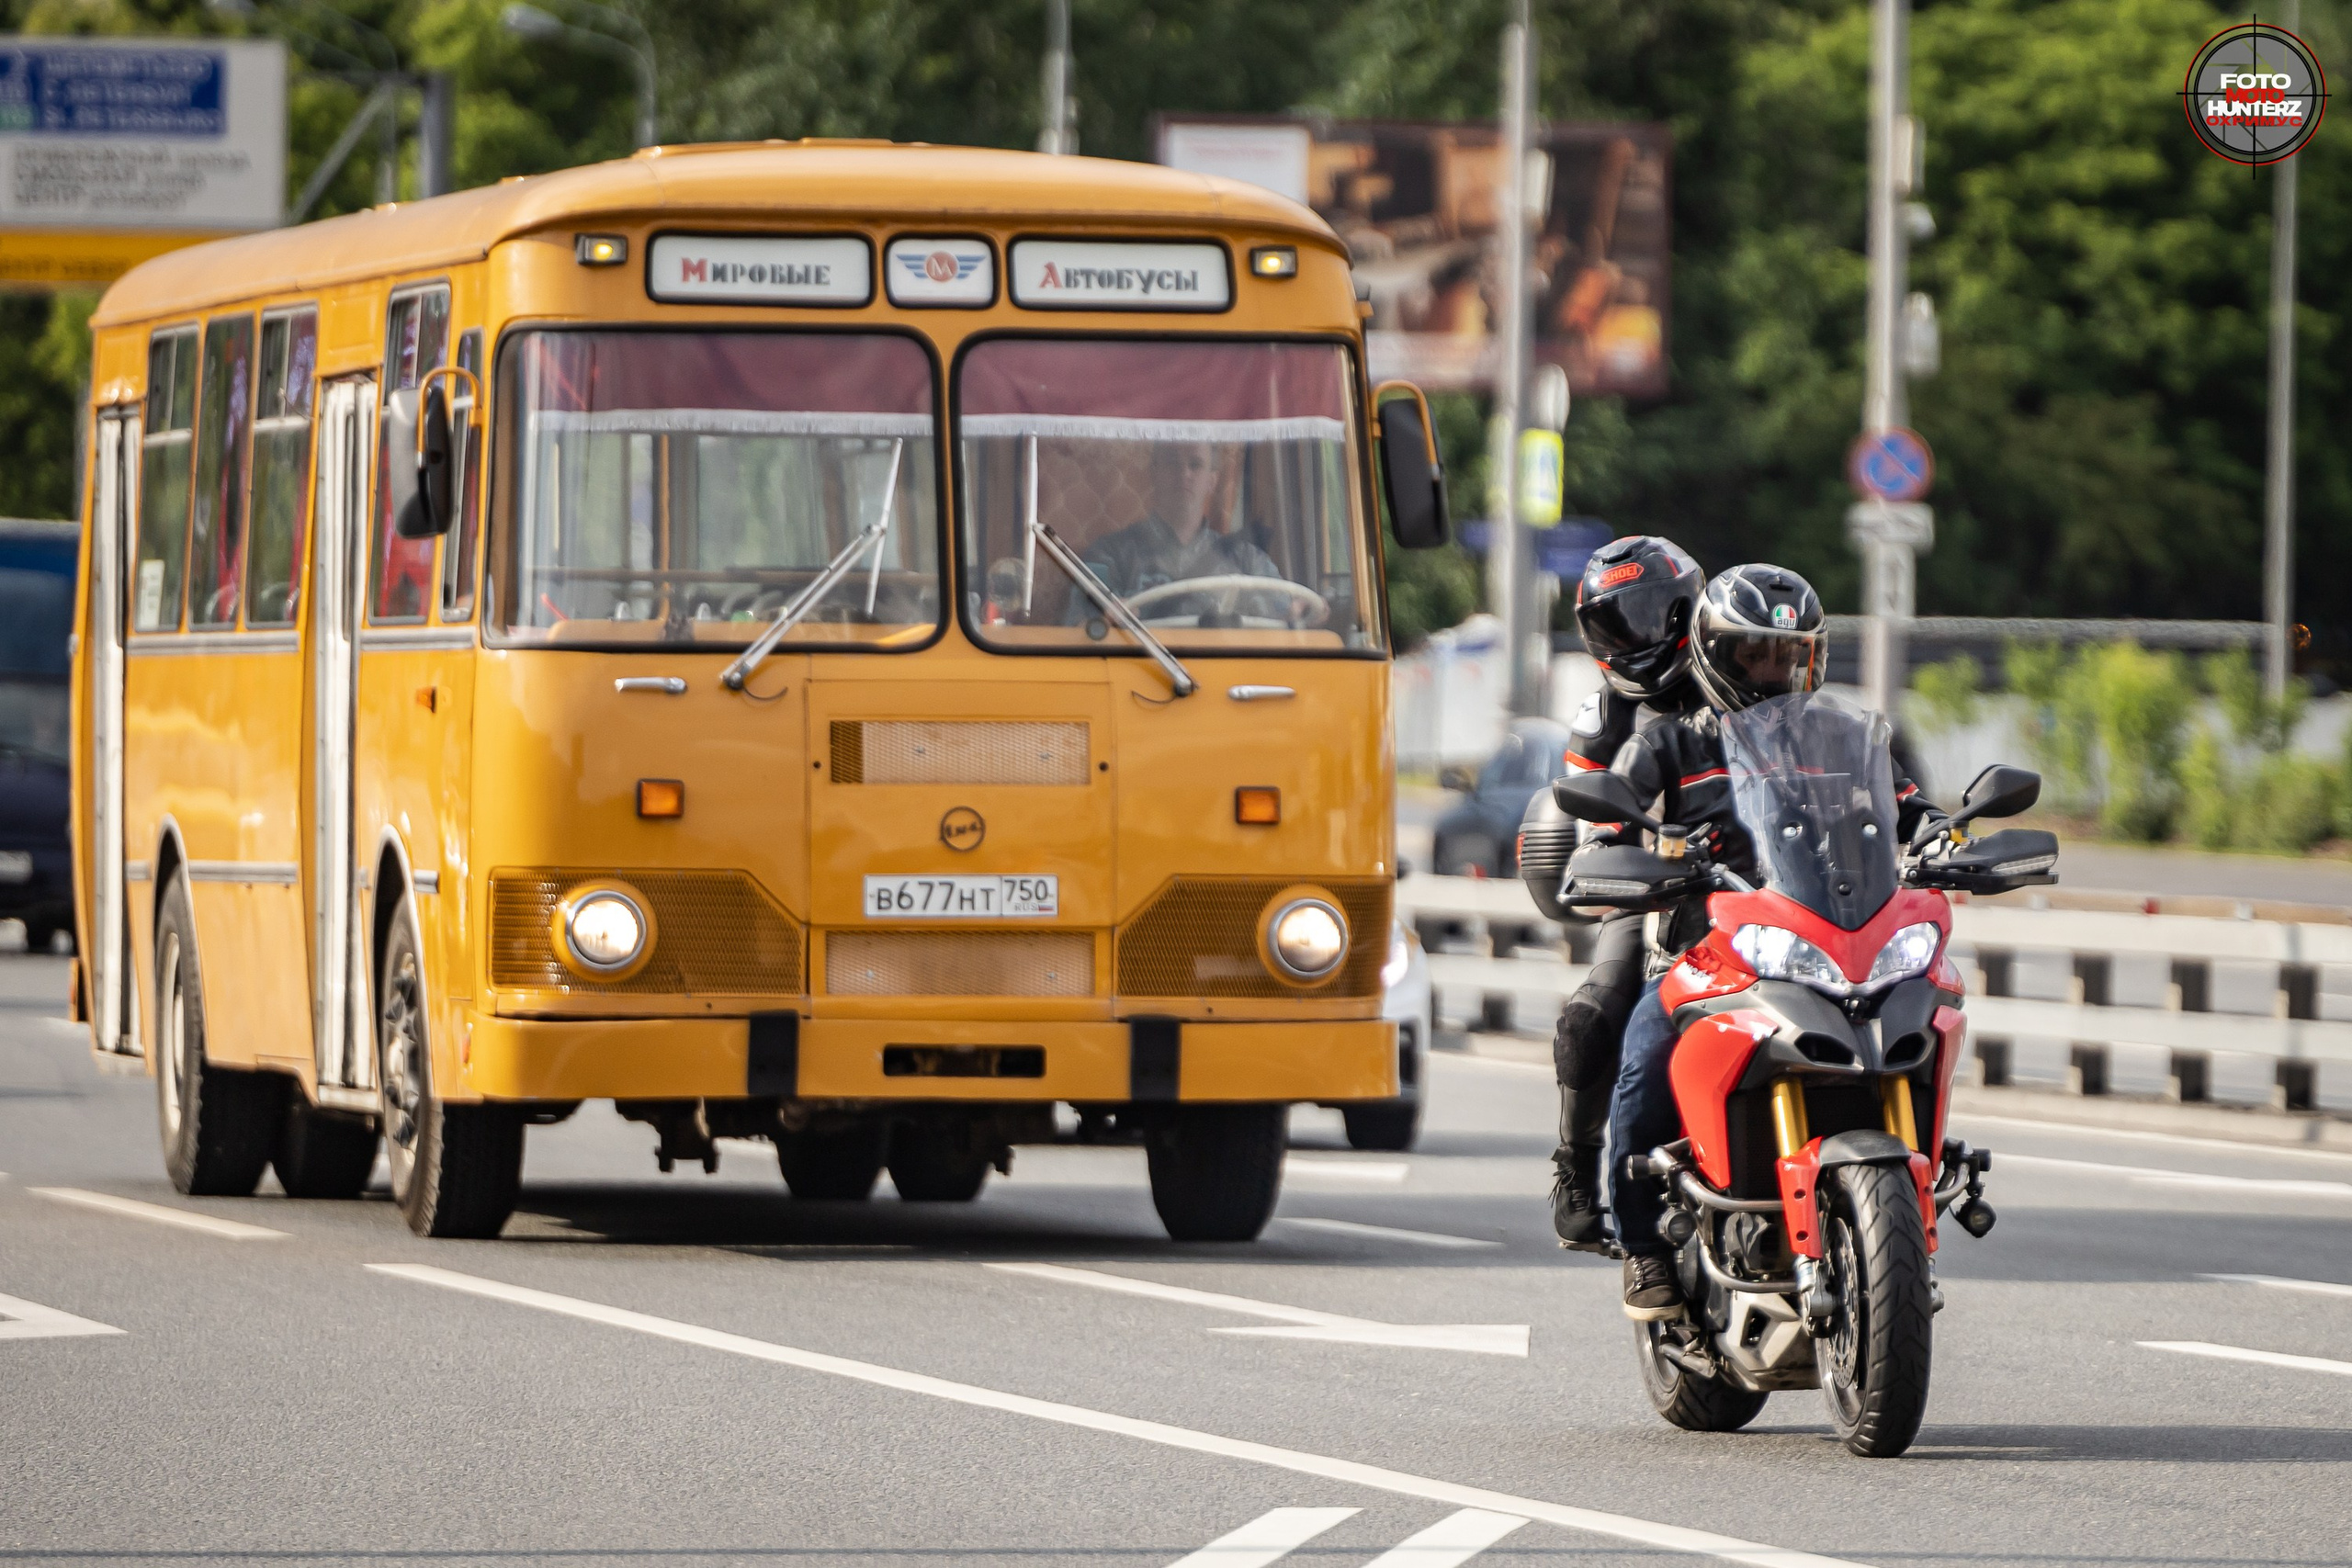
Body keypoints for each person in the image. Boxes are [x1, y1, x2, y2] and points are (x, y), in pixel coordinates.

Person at [1584, 564, 1944, 1316]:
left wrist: (1943, 839)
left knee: (1929, 1006)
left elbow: (1914, 810)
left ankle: (1907, 1201)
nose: (1774, 671)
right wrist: (1626, 852)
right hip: (1707, 949)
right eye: (1754, 654)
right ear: (1715, 653)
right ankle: (1643, 1246)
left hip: (1829, 937)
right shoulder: (1670, 744)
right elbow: (1607, 827)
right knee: (1644, 1060)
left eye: (1788, 655)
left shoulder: (1849, 734)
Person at [1545, 536, 1705, 1250]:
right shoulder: (1603, 719)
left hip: (1759, 880)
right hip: (1652, 887)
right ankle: (1577, 1165)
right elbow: (1594, 830)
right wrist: (1630, 854)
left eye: (1643, 616)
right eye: (1612, 624)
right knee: (1598, 1010)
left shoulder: (1743, 673)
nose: (1631, 637)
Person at [1080, 441, 1283, 600]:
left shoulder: (1247, 561)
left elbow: (1291, 616)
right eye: (1172, 463)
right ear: (1154, 473)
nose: (1184, 473)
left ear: (1212, 481)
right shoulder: (1110, 555)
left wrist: (1301, 613)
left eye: (1195, 465)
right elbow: (1082, 632)